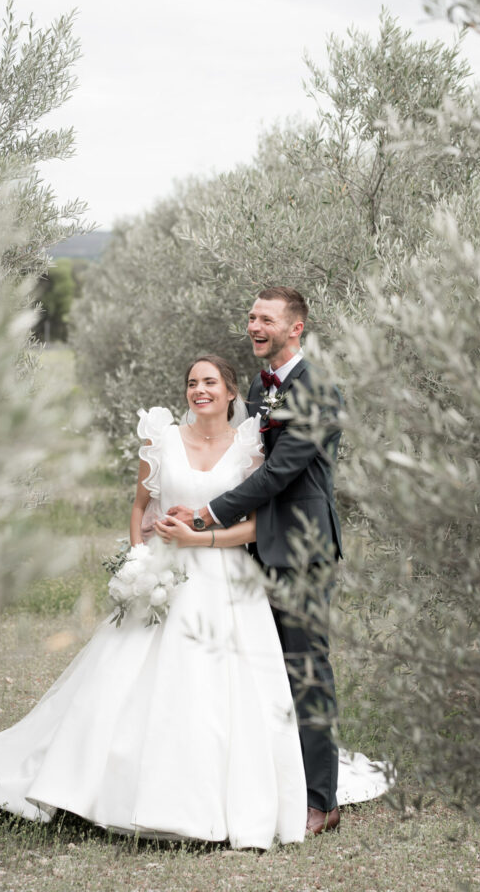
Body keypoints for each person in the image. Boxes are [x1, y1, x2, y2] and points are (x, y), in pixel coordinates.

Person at [0, 352, 388, 848]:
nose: (198, 390)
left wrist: (199, 535)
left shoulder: (249, 448)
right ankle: (102, 784)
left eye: (209, 382)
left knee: (223, 688)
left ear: (231, 394)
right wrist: (140, 562)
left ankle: (238, 795)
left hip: (225, 580)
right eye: (191, 383)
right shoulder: (160, 438)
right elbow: (140, 508)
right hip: (163, 578)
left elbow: (256, 523)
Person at [166, 288, 346, 835]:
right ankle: (271, 782)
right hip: (256, 549)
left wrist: (207, 513)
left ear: (296, 327)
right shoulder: (262, 389)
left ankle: (322, 800)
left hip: (300, 550)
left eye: (265, 318)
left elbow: (279, 474)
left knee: (306, 670)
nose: (253, 326)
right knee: (260, 671)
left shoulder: (316, 388)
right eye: (250, 317)